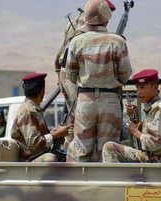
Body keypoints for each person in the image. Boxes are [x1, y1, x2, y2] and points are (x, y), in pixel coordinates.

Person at [65, 0, 132, 162]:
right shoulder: (117, 41)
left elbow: (71, 74)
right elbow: (125, 74)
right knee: (108, 149)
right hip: (110, 100)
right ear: (107, 18)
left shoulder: (76, 41)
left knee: (81, 149)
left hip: (85, 101)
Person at [54, 0, 116, 149]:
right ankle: (73, 150)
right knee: (78, 119)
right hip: (76, 74)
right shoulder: (87, 25)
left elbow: (60, 55)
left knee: (73, 114)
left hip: (66, 71)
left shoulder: (76, 21)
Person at [102, 69, 161, 163]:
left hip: (157, 159)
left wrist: (135, 131)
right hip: (157, 156)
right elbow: (151, 133)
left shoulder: (160, 108)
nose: (139, 92)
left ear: (155, 88)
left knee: (109, 147)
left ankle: (113, 177)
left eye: (142, 87)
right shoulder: (155, 106)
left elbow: (154, 144)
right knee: (123, 144)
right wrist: (136, 120)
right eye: (137, 88)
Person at [11, 72, 69, 162]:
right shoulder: (28, 111)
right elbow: (34, 143)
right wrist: (56, 135)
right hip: (30, 161)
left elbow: (37, 135)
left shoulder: (33, 109)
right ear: (42, 90)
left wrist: (55, 133)